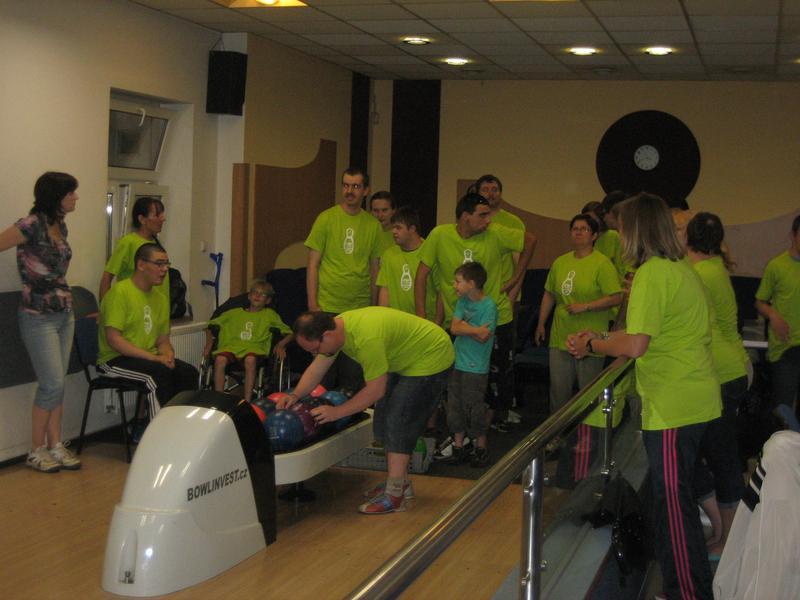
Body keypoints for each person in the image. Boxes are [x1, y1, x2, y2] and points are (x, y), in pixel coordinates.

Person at [567, 193, 720, 600]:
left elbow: (636, 345)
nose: (618, 237)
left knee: (673, 508)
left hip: (674, 405)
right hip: (692, 398)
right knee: (676, 502)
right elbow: (644, 333)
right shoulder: (678, 268)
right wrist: (601, 336)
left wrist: (593, 345)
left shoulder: (652, 272)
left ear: (635, 231)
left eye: (621, 230)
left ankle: (687, 593)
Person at [283, 308, 453, 514]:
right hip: (405, 356)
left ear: (326, 335)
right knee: (382, 421)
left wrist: (337, 412)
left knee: (398, 421)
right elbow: (317, 369)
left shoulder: (366, 338)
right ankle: (400, 482)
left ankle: (395, 496)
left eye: (316, 349)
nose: (316, 354)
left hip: (431, 356)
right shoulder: (333, 331)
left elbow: (375, 390)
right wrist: (295, 395)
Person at [416, 192, 536, 432]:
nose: (488, 220)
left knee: (494, 381)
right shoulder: (440, 235)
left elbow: (530, 240)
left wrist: (515, 278)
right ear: (465, 216)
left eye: (489, 215)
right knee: (457, 382)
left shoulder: (496, 233)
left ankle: (481, 434)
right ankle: (460, 434)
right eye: (482, 215)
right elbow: (421, 276)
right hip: (458, 322)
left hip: (495, 320)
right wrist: (421, 317)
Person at [0, 172, 81, 472]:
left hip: (64, 312)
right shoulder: (30, 224)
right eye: (71, 192)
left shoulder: (60, 225)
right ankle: (36, 450)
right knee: (51, 383)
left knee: (57, 384)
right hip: (37, 316)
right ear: (56, 195)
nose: (75, 197)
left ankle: (55, 444)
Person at [535, 213, 622, 487]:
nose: (578, 233)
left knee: (588, 392)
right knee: (559, 391)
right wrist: (541, 323)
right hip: (561, 335)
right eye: (575, 229)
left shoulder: (602, 263)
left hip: (590, 338)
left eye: (584, 229)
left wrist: (586, 306)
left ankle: (588, 444)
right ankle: (556, 439)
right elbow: (550, 294)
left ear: (594, 235)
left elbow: (616, 297)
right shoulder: (561, 262)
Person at [686, 212, 749, 557]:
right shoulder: (712, 268)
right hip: (728, 367)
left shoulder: (698, 274)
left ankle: (729, 540)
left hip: (721, 373)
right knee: (705, 454)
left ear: (687, 238)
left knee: (720, 457)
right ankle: (723, 530)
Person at [97, 243, 198, 432]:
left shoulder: (160, 298)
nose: (165, 269)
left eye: (166, 264)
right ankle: (158, 434)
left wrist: (167, 354)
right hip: (114, 359)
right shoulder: (120, 292)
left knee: (188, 373)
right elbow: (114, 340)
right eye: (159, 264)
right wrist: (154, 358)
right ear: (141, 265)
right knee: (158, 375)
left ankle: (182, 430)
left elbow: (162, 340)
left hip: (147, 358)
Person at [305, 167, 383, 393]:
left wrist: (373, 306)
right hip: (327, 306)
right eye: (346, 185)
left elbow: (375, 268)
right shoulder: (326, 219)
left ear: (365, 190)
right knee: (323, 377)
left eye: (356, 186)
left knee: (354, 376)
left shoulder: (373, 225)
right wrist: (313, 305)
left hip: (358, 311)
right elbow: (313, 264)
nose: (350, 191)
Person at [475, 174, 529, 429]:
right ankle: (481, 412)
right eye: (485, 189)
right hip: (478, 301)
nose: (490, 193)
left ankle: (503, 412)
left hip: (505, 299)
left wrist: (513, 290)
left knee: (504, 359)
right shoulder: (474, 221)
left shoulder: (512, 222)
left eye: (494, 189)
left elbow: (520, 261)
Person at [203, 279, 293, 402]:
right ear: (249, 296)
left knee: (250, 360)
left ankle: (247, 401)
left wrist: (281, 345)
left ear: (268, 301)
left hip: (255, 350)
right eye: (255, 292)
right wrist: (209, 344)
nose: (258, 296)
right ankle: (219, 399)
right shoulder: (232, 313)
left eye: (263, 294)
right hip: (230, 348)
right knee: (219, 359)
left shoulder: (270, 315)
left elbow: (290, 333)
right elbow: (209, 326)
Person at [446, 262, 497, 467]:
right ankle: (459, 446)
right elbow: (454, 328)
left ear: (472, 283)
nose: (454, 285)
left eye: (458, 281)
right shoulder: (462, 302)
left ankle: (480, 447)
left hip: (476, 366)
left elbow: (484, 337)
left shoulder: (489, 306)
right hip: (457, 362)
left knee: (474, 408)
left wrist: (465, 327)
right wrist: (474, 329)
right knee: (454, 406)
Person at [755, 214, 800, 429]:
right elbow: (760, 301)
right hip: (786, 346)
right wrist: (773, 315)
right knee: (784, 410)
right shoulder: (777, 266)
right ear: (793, 235)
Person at [376, 206, 440, 321]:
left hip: (425, 322)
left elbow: (441, 292)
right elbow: (385, 289)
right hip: (397, 322)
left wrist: (437, 323)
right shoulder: (389, 254)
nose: (393, 231)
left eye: (398, 228)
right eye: (393, 227)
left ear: (412, 229)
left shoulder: (430, 252)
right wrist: (382, 318)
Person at [99, 196, 168, 301]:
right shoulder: (128, 242)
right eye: (157, 215)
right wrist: (106, 307)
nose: (163, 219)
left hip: (156, 305)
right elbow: (107, 277)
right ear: (142, 219)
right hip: (132, 305)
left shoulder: (156, 244)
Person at [369, 190, 396, 257]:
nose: (380, 215)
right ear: (370, 212)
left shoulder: (401, 235)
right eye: (376, 210)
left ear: (393, 211)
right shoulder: (366, 234)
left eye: (384, 210)